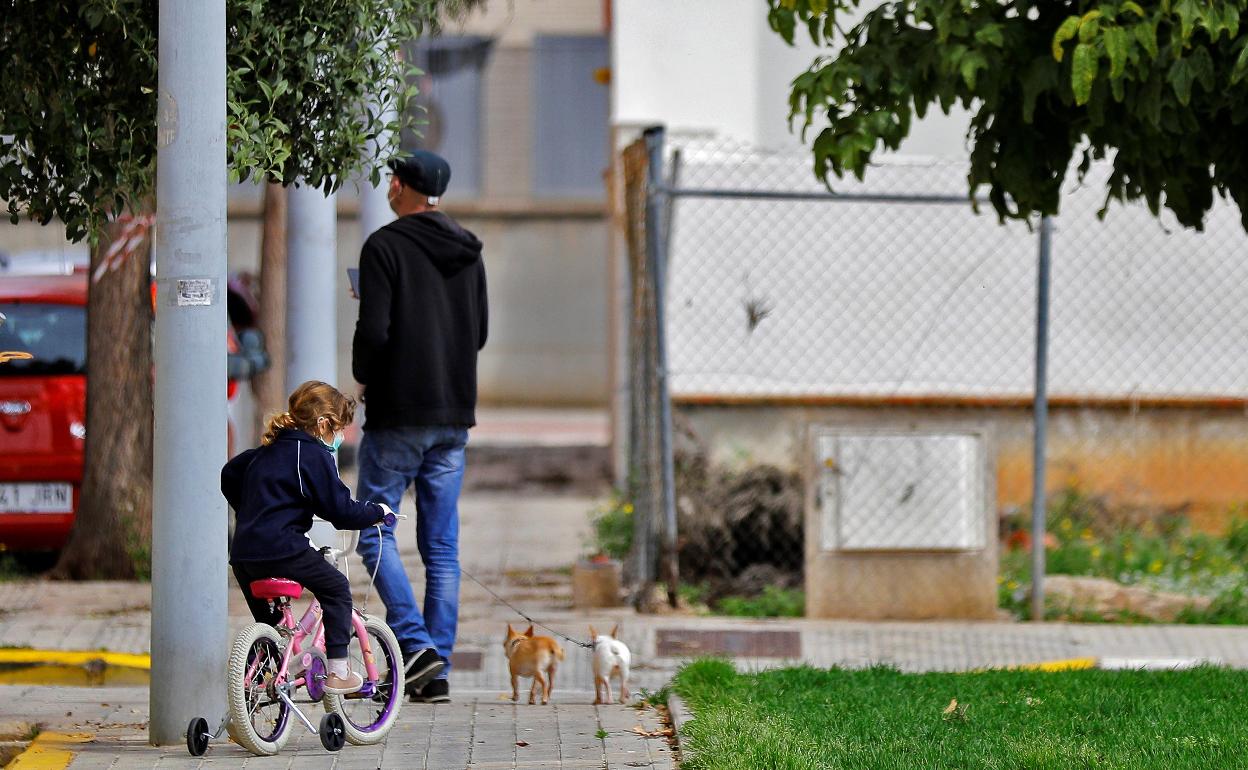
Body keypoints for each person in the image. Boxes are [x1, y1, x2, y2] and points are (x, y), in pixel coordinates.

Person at [352, 150, 488, 704]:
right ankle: (437, 672)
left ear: (406, 188)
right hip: (453, 415)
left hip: (398, 415)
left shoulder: (384, 247)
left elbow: (375, 335)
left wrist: (363, 373)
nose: (387, 185)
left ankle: (414, 645)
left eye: (393, 178)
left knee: (372, 532)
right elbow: (477, 333)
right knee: (441, 548)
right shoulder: (468, 251)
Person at [222, 380, 392, 694]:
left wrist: (251, 510)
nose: (339, 437)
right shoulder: (312, 454)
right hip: (283, 548)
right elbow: (340, 510)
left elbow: (229, 474)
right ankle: (339, 672)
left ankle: (260, 684)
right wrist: (376, 512)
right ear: (323, 423)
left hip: (245, 553)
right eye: (338, 429)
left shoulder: (266, 451)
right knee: (337, 588)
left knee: (271, 628)